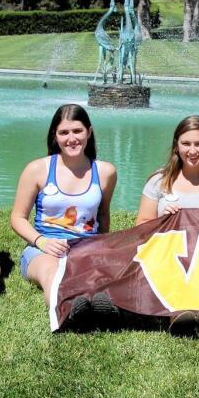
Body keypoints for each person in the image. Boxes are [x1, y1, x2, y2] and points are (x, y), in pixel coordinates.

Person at [12, 104, 118, 327]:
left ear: (89, 132)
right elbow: (17, 218)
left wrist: (102, 250)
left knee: (100, 277)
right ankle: (65, 311)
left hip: (86, 247)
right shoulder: (37, 169)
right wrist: (42, 241)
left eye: (77, 131)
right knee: (52, 272)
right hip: (44, 247)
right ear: (55, 136)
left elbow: (103, 217)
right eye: (64, 132)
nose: (72, 138)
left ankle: (97, 305)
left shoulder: (105, 172)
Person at [136, 114, 199, 334]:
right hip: (170, 254)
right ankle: (179, 315)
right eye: (186, 144)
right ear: (176, 146)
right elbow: (141, 226)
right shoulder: (158, 181)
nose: (192, 151)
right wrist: (162, 219)